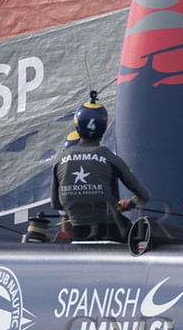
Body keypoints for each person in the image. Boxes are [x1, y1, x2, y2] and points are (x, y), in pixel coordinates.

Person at [52, 93, 150, 241]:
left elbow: (57, 204)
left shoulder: (59, 161)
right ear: (104, 127)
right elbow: (144, 196)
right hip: (114, 233)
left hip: (79, 236)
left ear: (77, 125)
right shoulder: (109, 157)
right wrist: (129, 203)